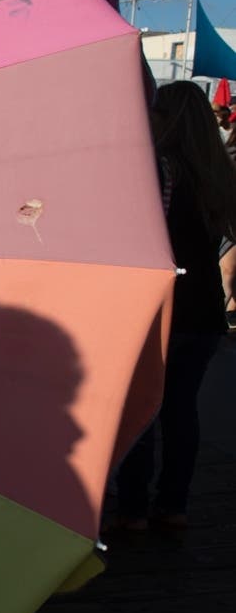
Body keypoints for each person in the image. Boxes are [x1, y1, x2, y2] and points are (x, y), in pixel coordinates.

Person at [115, 80, 236, 530]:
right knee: (183, 410)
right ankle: (174, 506)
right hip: (205, 309)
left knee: (143, 409)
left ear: (169, 118)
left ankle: (131, 510)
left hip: (162, 306)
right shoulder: (218, 172)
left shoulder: (158, 170)